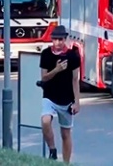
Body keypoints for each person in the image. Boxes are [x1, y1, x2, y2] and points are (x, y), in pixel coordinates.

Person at [39, 25, 81, 163]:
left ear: (65, 39)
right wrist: (56, 70)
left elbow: (75, 79)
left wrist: (77, 102)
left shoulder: (72, 56)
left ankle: (66, 163)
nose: (58, 43)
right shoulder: (46, 54)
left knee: (65, 133)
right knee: (45, 121)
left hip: (66, 99)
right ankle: (52, 150)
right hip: (49, 96)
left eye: (61, 40)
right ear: (52, 40)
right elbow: (44, 77)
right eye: (55, 40)